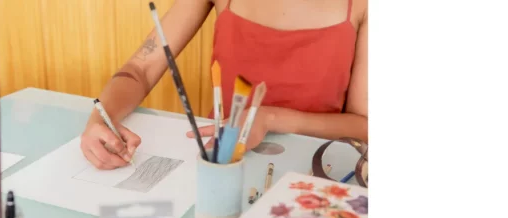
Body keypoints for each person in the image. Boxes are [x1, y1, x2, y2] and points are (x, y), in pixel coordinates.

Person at [80, 0, 367, 170]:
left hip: (318, 171)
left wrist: (268, 118)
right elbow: (140, 68)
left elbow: (365, 124)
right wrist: (102, 117)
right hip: (218, 161)